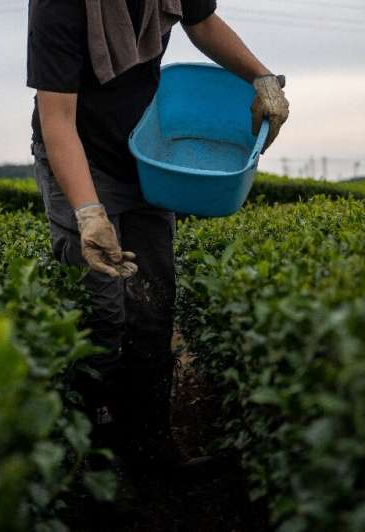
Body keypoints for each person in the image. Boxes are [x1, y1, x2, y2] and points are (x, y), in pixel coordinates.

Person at [27, 0, 289, 471]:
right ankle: (89, 461)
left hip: (146, 150)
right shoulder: (60, 5)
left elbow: (203, 23)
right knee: (101, 314)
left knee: (153, 307)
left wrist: (262, 78)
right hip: (80, 156)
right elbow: (57, 122)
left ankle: (150, 450)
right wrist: (88, 213)